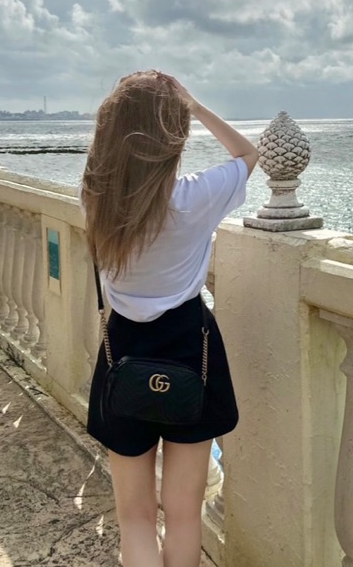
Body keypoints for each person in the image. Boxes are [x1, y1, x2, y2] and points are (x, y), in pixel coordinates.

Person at [81, 70, 258, 567]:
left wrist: (122, 116)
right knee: (183, 514)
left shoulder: (95, 200)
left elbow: (100, 167)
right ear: (173, 137)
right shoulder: (193, 197)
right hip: (187, 345)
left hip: (123, 348)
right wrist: (194, 106)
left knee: (134, 516)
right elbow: (248, 155)